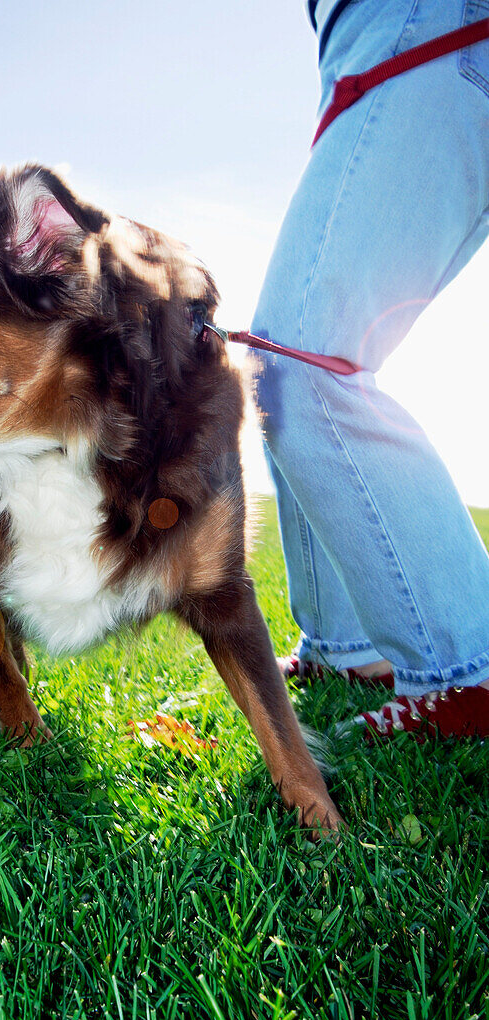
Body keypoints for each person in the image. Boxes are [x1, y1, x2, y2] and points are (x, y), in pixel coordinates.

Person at [251, 0, 489, 738]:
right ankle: (346, 648)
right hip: (363, 35)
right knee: (277, 365)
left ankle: (468, 670)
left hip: (428, 18)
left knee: (304, 355)